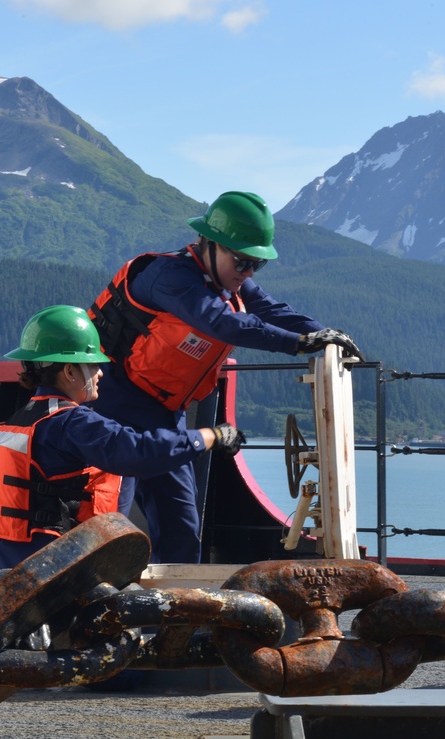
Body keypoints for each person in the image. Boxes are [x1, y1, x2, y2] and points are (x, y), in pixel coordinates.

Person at [88, 190, 364, 564]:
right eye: (243, 262)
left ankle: (175, 618)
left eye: (257, 266)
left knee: (181, 530)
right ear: (210, 245)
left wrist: (323, 335)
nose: (248, 273)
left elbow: (267, 309)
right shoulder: (168, 277)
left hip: (161, 412)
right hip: (110, 404)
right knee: (105, 522)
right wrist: (299, 344)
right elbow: (222, 323)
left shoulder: (228, 277)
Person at [0, 304, 245, 570]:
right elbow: (139, 453)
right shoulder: (70, 422)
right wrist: (210, 436)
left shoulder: (14, 423)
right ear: (69, 372)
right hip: (45, 577)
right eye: (92, 365)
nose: (101, 372)